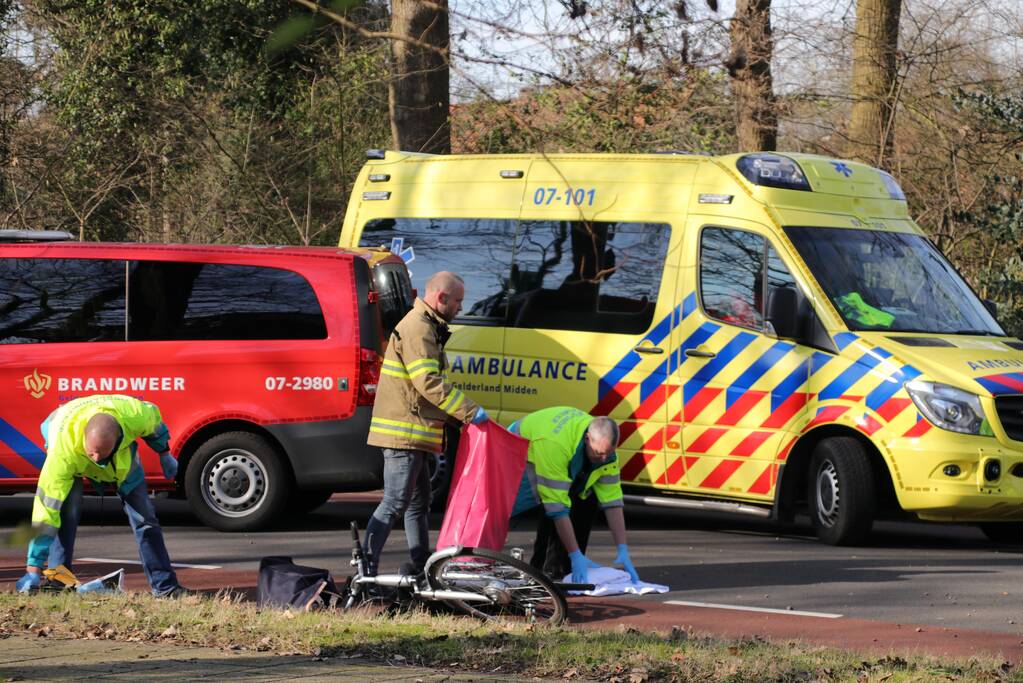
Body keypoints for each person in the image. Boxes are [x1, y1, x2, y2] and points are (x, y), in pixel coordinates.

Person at [365, 270, 487, 576]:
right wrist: (470, 413)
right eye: (458, 301)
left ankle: (421, 567)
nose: (461, 307)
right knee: (395, 503)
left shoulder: (425, 325)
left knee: (418, 505)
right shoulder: (419, 328)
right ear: (441, 298)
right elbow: (429, 383)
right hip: (403, 435)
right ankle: (365, 569)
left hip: (411, 434)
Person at [15, 394, 190, 597]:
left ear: (117, 440)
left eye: (102, 453)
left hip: (123, 468)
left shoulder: (135, 414)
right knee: (64, 513)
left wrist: (164, 453)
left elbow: (155, 425)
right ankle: (58, 583)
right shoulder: (62, 454)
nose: (96, 458)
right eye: (92, 453)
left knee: (146, 520)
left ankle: (165, 588)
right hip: (70, 449)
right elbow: (45, 510)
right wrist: (33, 568)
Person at [509, 406, 640, 585]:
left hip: (561, 448)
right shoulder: (556, 446)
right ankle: (542, 573)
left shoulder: (606, 453)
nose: (604, 459)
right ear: (587, 439)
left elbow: (613, 502)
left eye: (609, 454)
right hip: (521, 451)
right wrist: (575, 554)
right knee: (532, 506)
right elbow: (556, 508)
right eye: (599, 453)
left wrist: (622, 549)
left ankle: (564, 570)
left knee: (587, 499)